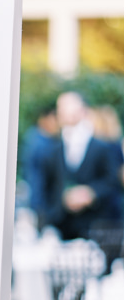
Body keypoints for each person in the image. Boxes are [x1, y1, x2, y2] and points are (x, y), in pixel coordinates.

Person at [49, 91, 122, 242]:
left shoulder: (103, 146)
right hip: (64, 227)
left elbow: (113, 182)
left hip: (98, 226)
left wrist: (91, 193)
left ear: (82, 110)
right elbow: (49, 184)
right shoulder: (54, 148)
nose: (62, 111)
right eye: (60, 107)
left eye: (67, 106)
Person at [22, 106, 63, 232]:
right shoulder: (40, 143)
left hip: (41, 202)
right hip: (41, 203)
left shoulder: (36, 138)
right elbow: (37, 179)